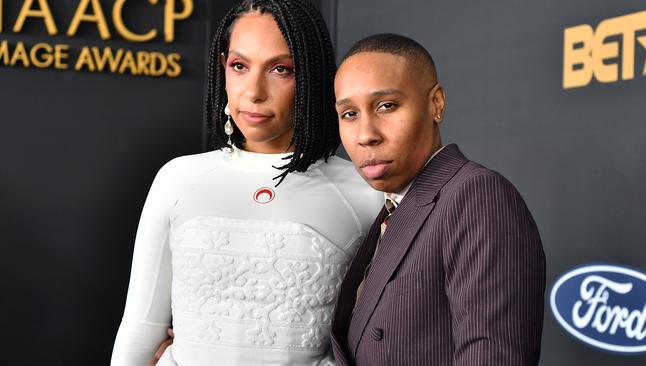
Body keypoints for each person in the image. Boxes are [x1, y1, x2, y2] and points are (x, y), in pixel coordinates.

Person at [109, 1, 382, 365]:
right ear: (223, 67)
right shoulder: (178, 179)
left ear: (312, 77)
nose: (254, 91)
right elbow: (139, 330)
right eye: (240, 66)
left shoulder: (364, 193)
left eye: (280, 69)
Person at [330, 33, 546, 365]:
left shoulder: (476, 196)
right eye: (349, 114)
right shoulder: (393, 209)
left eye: (386, 105)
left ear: (436, 104)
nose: (365, 135)